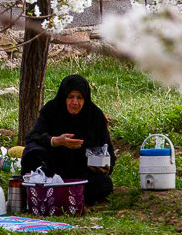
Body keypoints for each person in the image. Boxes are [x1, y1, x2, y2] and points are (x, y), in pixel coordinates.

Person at [21, 74, 114, 204]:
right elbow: (32, 137)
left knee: (103, 184)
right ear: (64, 97)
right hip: (51, 169)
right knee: (32, 152)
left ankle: (63, 195)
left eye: (79, 98)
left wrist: (105, 166)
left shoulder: (95, 116)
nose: (75, 102)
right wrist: (55, 141)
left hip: (82, 172)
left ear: (85, 99)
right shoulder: (51, 110)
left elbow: (107, 148)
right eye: (70, 97)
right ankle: (46, 191)